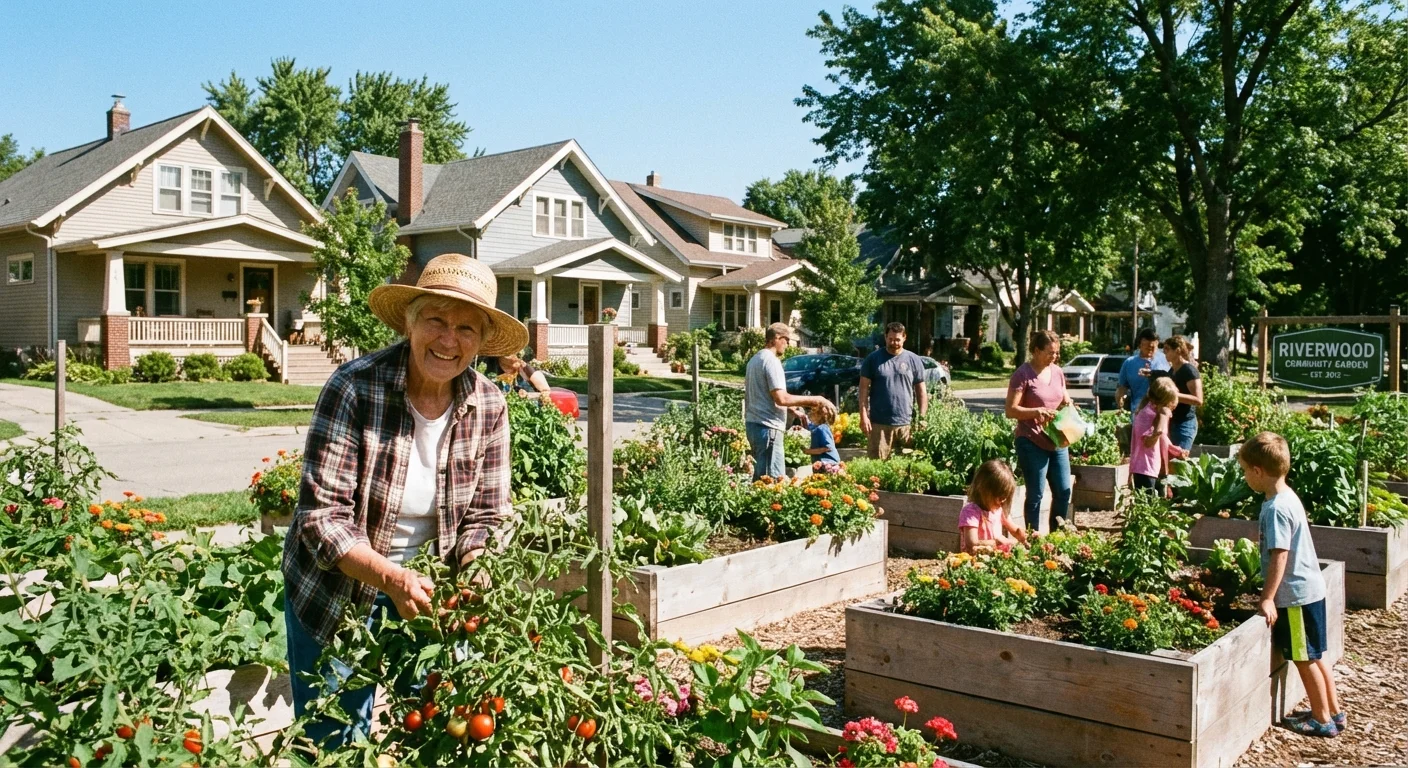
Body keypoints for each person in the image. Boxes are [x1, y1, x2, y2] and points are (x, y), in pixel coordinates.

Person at [281, 253, 524, 748]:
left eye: (466, 328)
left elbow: (489, 514)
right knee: (333, 739)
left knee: (431, 731)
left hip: (429, 597)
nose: (448, 340)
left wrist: (477, 564)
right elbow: (320, 517)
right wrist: (390, 577)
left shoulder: (489, 404)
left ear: (480, 342)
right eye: (435, 319)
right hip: (337, 592)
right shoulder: (354, 387)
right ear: (411, 322)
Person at [1237, 432, 1344, 737]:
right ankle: (1334, 712)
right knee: (1314, 655)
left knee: (1302, 657)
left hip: (1294, 596)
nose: (1245, 477)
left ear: (1258, 472)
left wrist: (1268, 598)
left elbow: (1279, 556)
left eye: (1246, 470)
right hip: (1312, 589)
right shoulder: (1288, 496)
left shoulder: (1274, 510)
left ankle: (1321, 720)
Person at [745, 323, 835, 480]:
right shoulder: (772, 361)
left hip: (754, 426)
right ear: (777, 338)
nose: (788, 345)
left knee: (761, 481)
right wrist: (817, 400)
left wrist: (792, 410)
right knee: (773, 483)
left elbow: (764, 396)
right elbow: (782, 398)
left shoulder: (755, 359)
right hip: (768, 429)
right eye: (787, 341)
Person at [1006, 330, 1075, 531]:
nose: (1054, 357)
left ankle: (1056, 535)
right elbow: (1011, 411)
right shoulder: (1022, 375)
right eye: (1050, 352)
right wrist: (1036, 412)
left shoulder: (1057, 372)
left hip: (1057, 439)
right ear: (1036, 351)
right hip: (1031, 440)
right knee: (1035, 493)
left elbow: (1064, 397)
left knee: (1063, 490)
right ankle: (1032, 537)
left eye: (1057, 353)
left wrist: (1069, 405)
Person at [859, 322, 929, 459]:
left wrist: (922, 418)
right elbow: (863, 390)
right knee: (877, 467)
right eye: (890, 339)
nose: (893, 343)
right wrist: (863, 416)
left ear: (904, 338)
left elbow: (921, 392)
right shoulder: (873, 360)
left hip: (905, 423)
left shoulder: (913, 360)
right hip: (879, 424)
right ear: (885, 337)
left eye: (897, 339)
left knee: (906, 467)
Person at [958, 459, 1028, 554]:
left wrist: (1023, 535)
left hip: (995, 557)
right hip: (974, 560)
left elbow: (1014, 530)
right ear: (983, 489)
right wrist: (996, 542)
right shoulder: (971, 511)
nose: (1003, 500)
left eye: (1005, 497)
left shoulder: (999, 510)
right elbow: (971, 543)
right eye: (999, 496)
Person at [1130, 378, 1187, 493]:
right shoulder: (1147, 416)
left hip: (1155, 468)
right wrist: (1158, 429)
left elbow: (1163, 440)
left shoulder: (1156, 411)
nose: (1173, 406)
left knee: (1159, 504)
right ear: (1161, 403)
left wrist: (1176, 451)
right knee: (1147, 505)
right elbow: (1148, 442)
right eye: (1170, 403)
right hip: (1144, 469)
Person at [1150, 335, 1202, 451]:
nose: (1165, 353)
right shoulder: (1173, 369)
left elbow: (1198, 400)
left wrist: (1171, 395)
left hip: (1185, 423)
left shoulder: (1189, 370)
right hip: (1172, 421)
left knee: (1179, 461)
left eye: (1167, 349)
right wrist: (1151, 373)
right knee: (1171, 461)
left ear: (1177, 350)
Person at [1116, 328, 1162, 413]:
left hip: (1161, 411)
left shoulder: (1165, 361)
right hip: (1138, 410)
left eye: (1153, 348)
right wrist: (1120, 399)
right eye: (1147, 347)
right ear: (1140, 345)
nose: (1150, 350)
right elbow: (1122, 386)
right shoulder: (1129, 363)